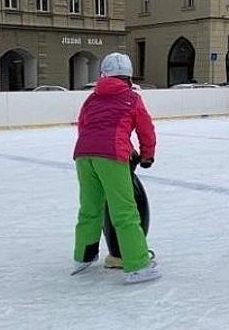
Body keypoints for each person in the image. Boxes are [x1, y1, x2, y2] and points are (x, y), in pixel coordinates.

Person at [72, 52, 161, 284]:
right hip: (111, 156)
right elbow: (146, 130)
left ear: (103, 75)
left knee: (90, 209)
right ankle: (138, 265)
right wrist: (147, 156)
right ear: (129, 78)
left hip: (83, 155)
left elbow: (84, 126)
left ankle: (83, 257)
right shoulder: (132, 98)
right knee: (124, 212)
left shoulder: (91, 99)